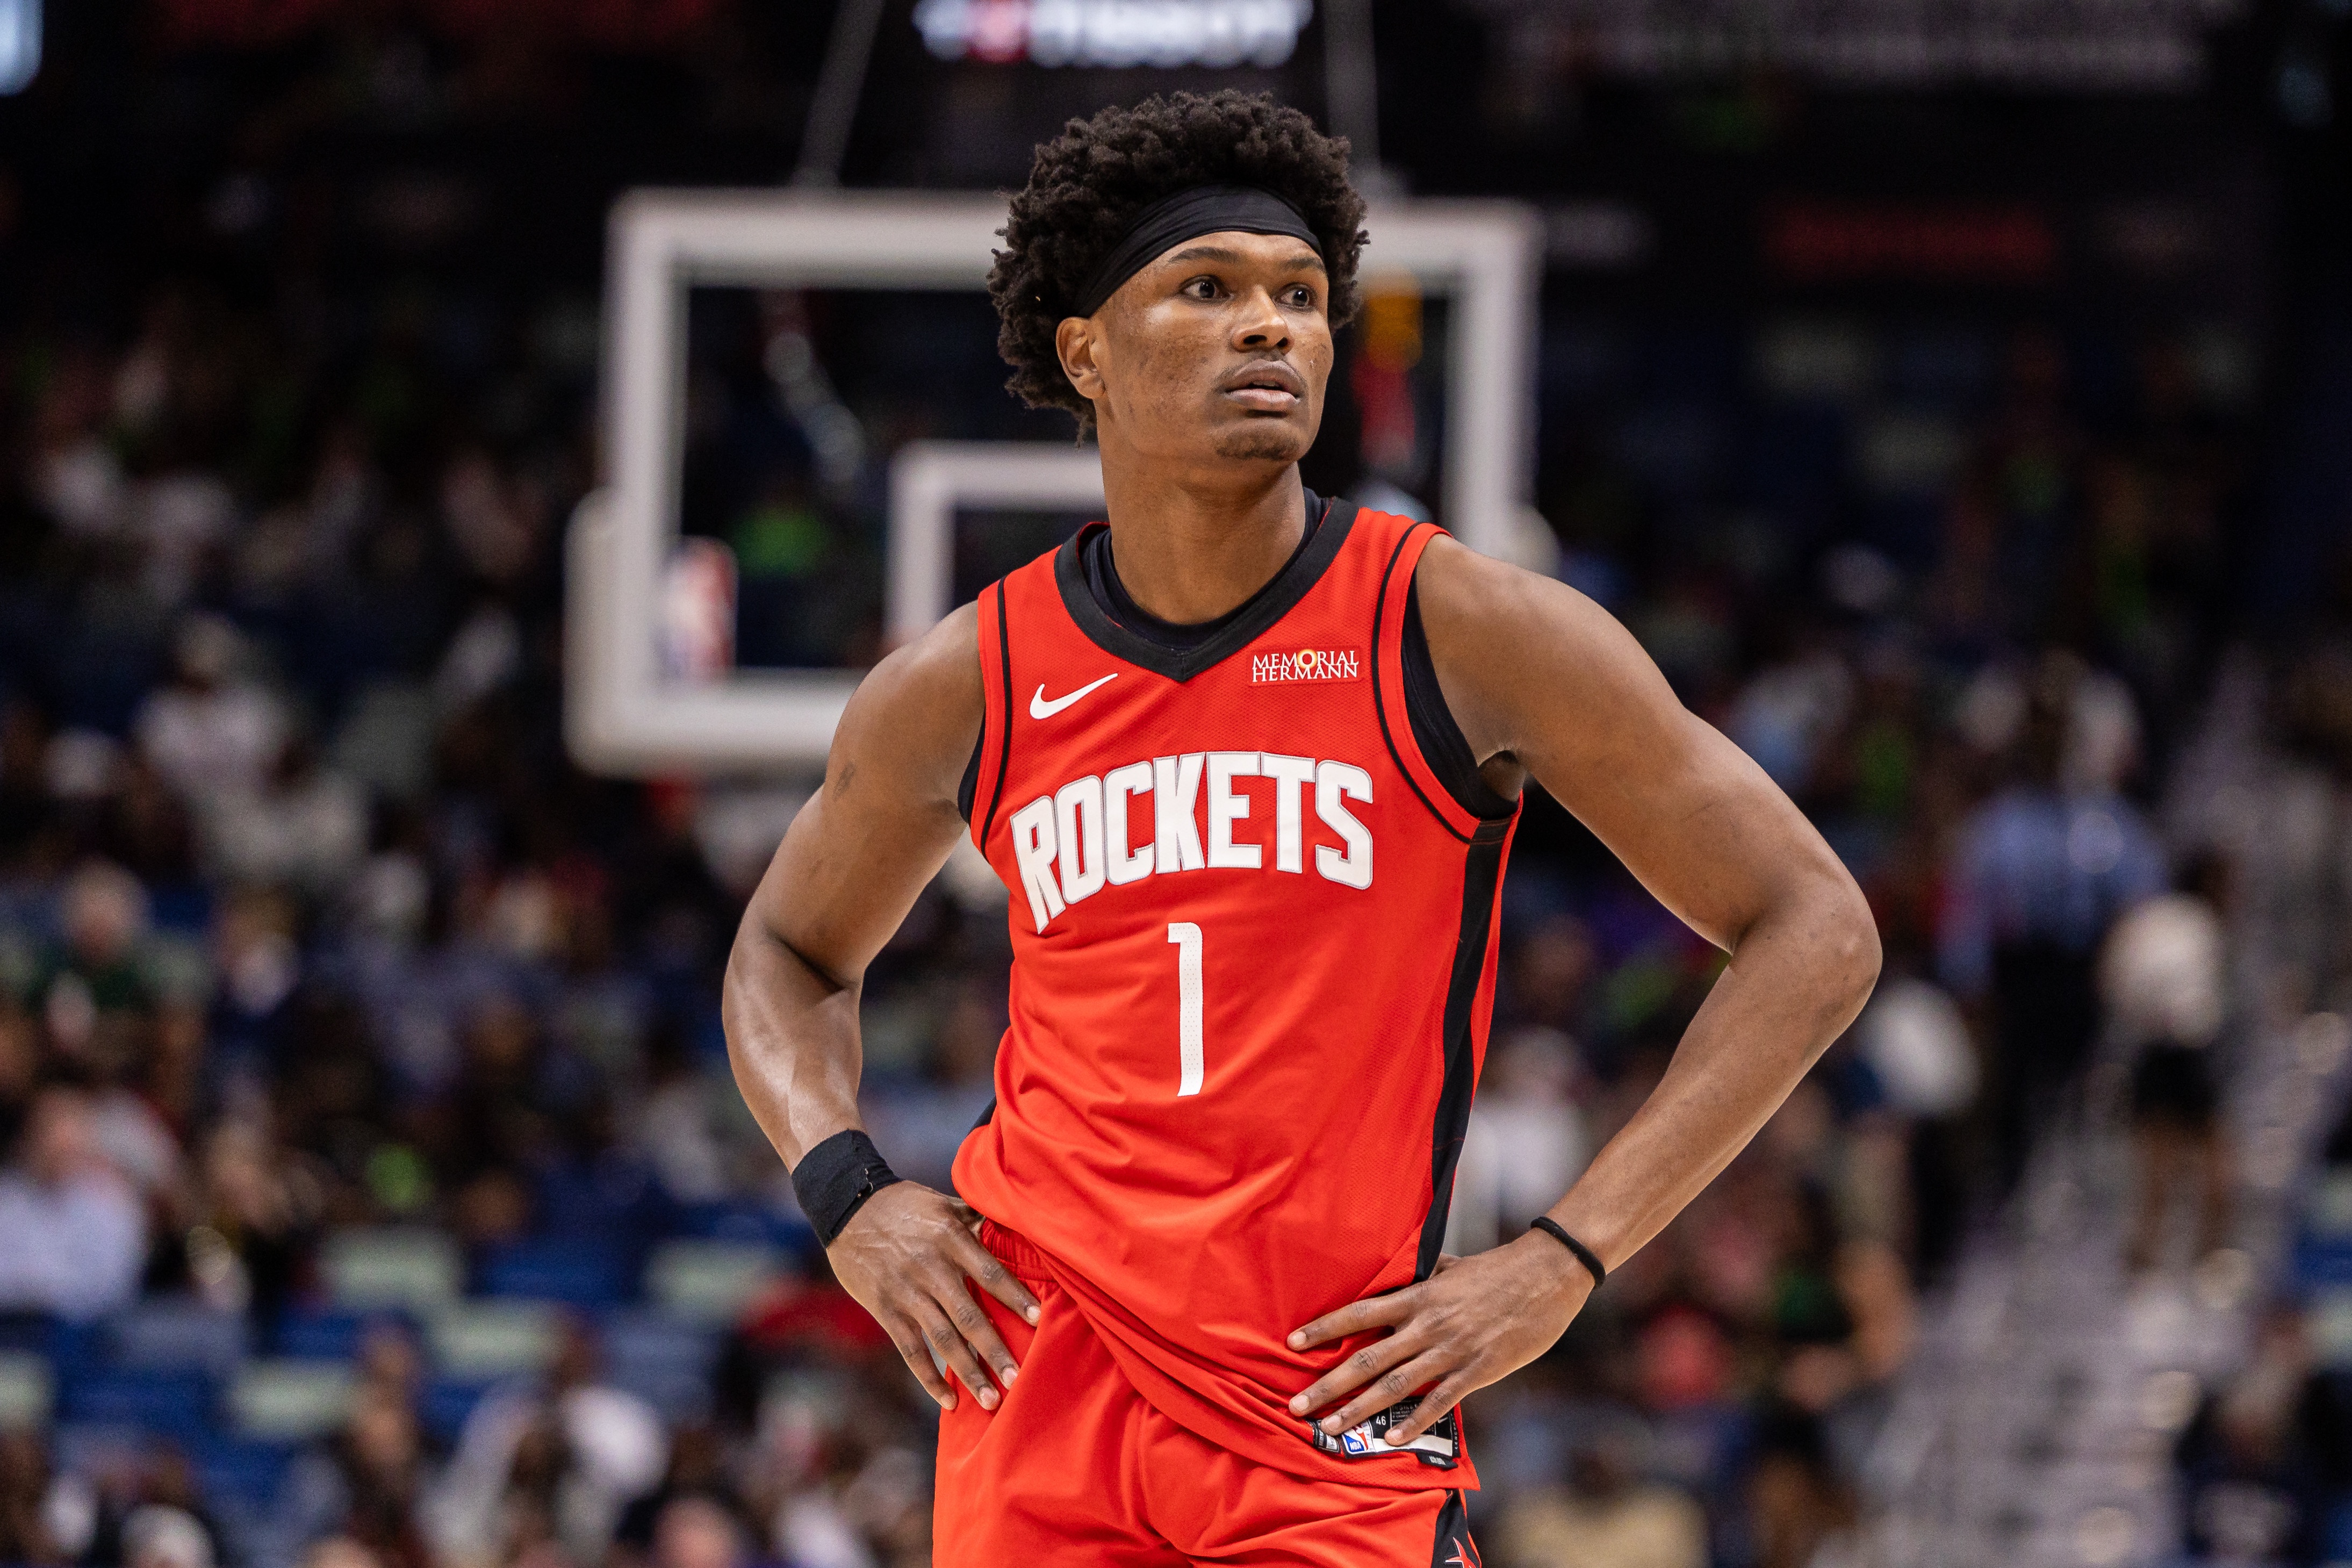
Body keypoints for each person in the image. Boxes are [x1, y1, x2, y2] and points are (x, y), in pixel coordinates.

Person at [722, 91, 1880, 1566]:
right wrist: (849, 1195)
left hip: (1327, 1405)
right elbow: (784, 952)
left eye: (1299, 296)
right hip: (1036, 1389)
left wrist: (1564, 1257)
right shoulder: (967, 678)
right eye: (1206, 289)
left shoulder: (1458, 626)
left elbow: (1816, 926)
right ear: (1084, 353)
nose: (1269, 326)